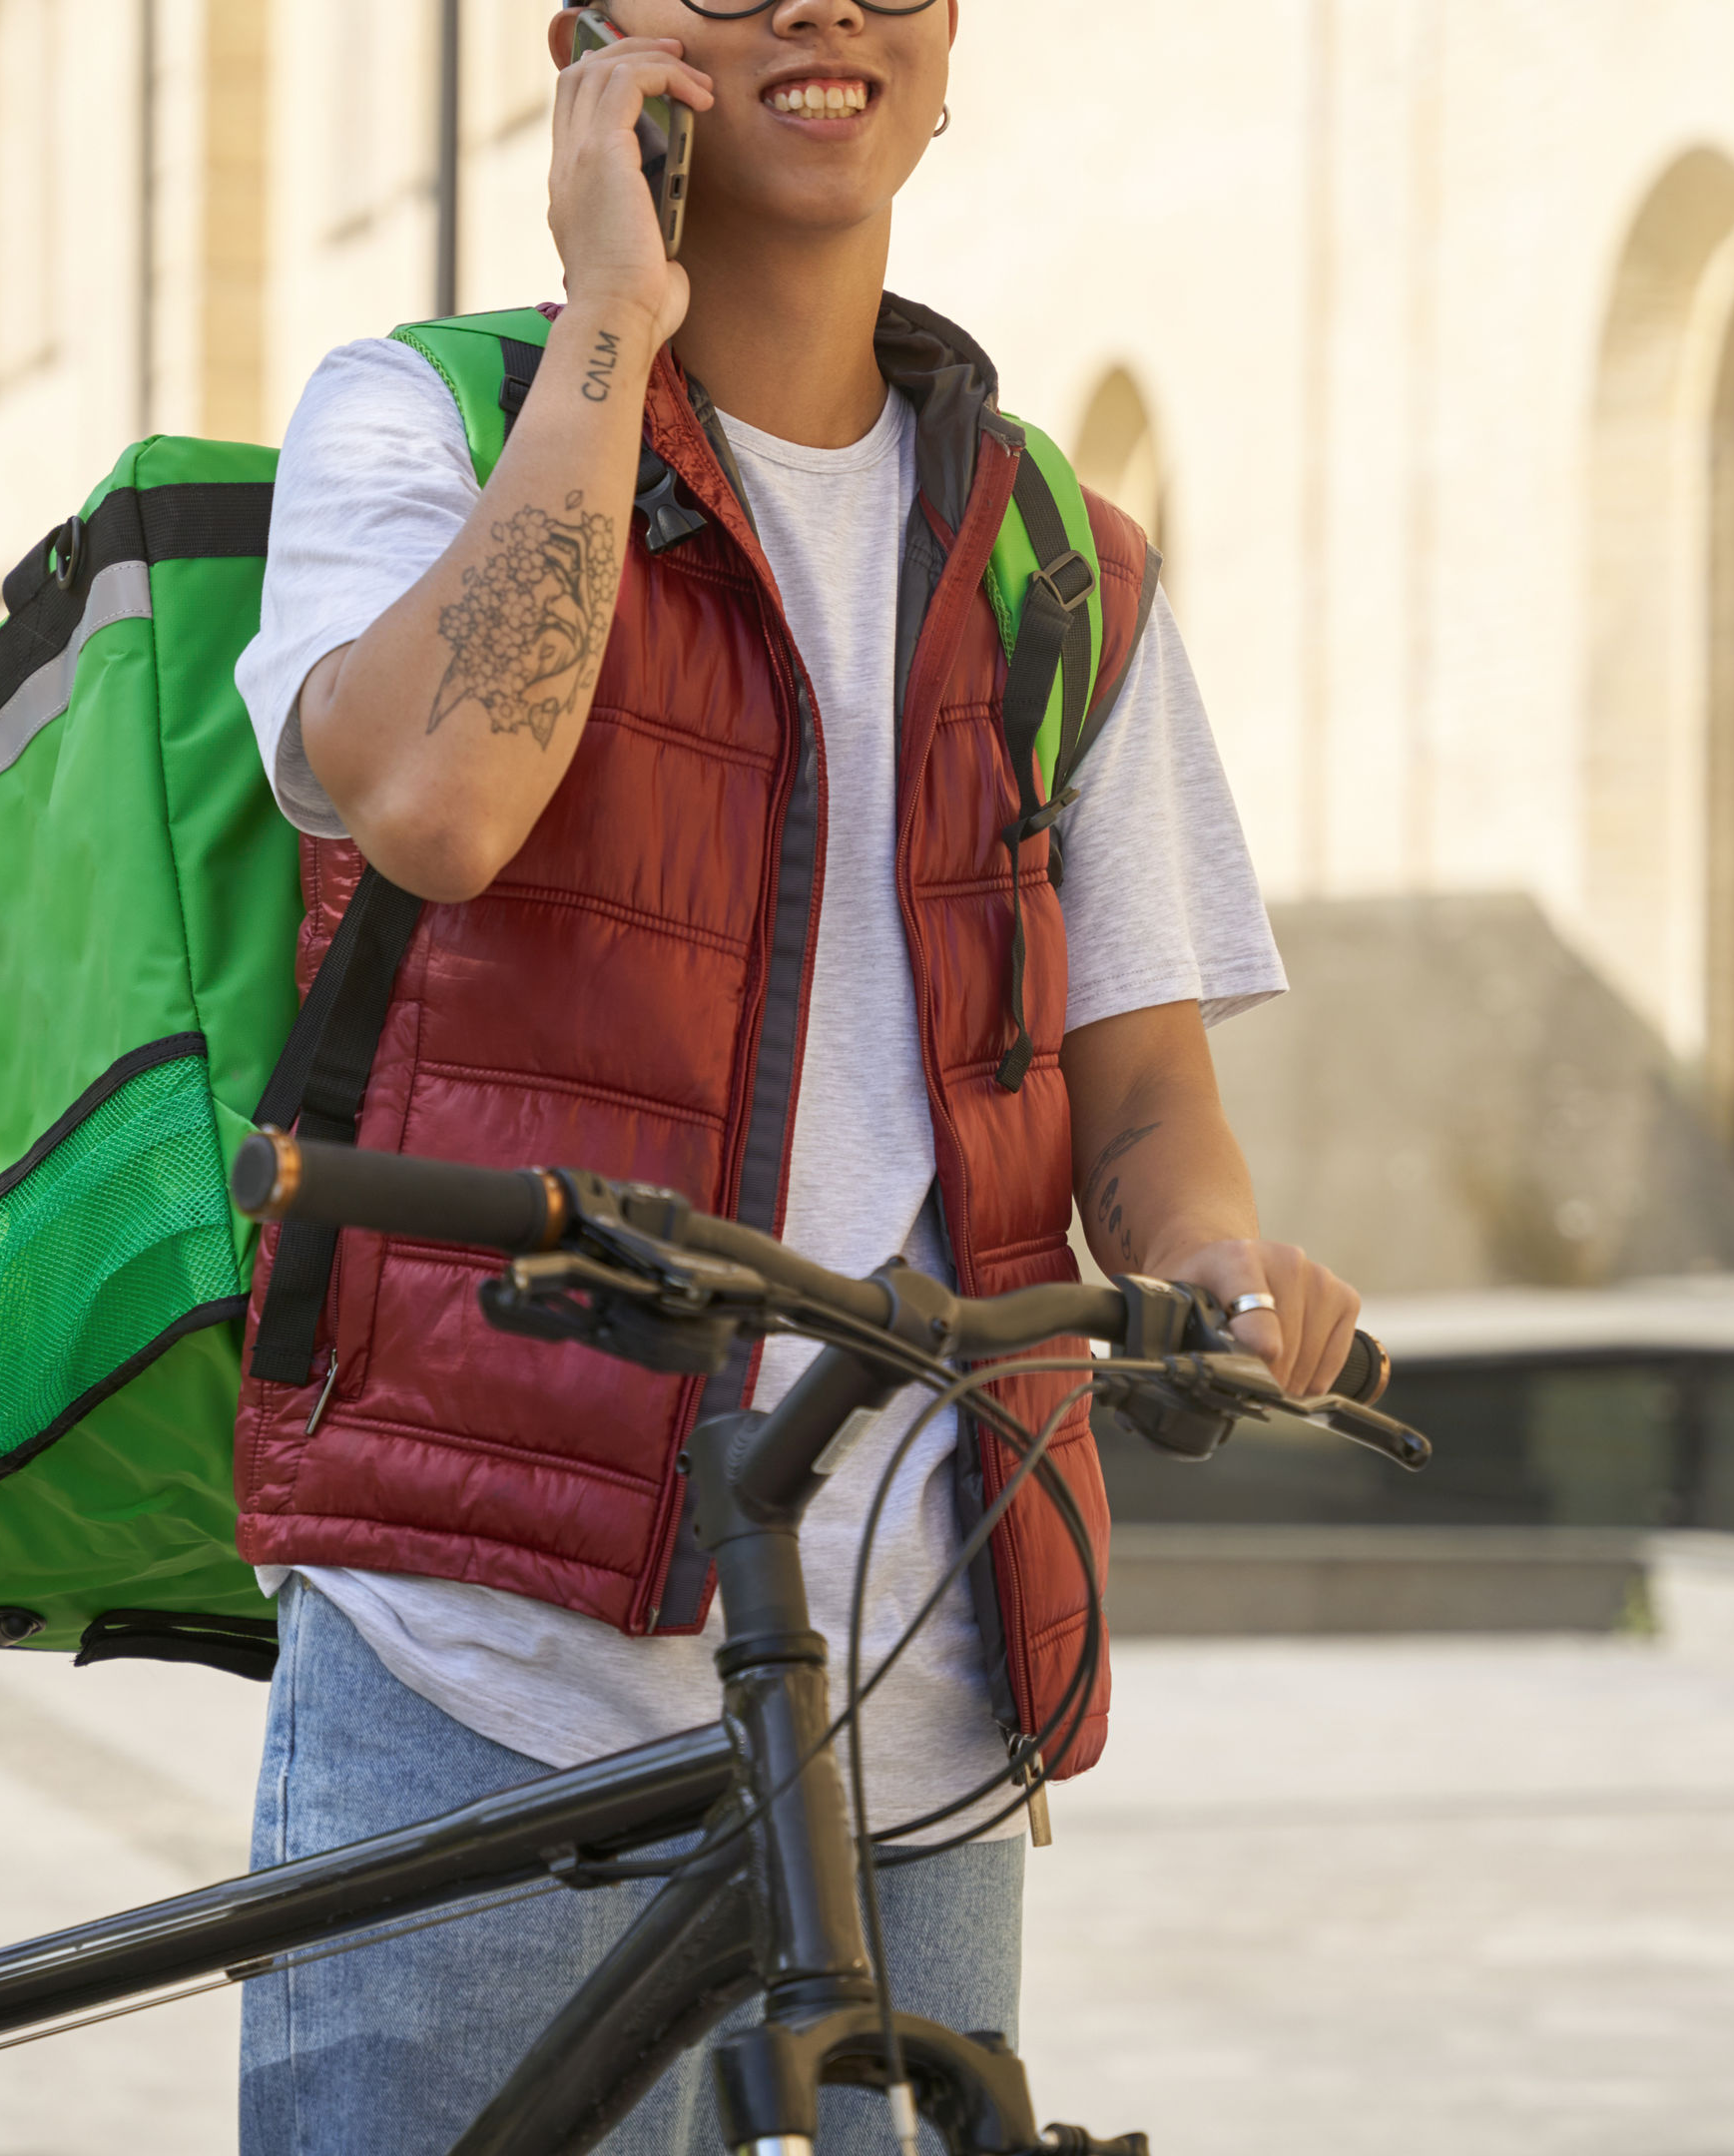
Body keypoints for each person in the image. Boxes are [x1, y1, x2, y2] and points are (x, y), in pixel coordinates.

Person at [227, 3, 1362, 2146]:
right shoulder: (427, 422)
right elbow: (442, 806)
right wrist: (608, 327)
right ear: (591, 51)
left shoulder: (1059, 560)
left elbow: (1139, 1107)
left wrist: (1219, 1265)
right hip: (493, 1663)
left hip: (919, 1694)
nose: (822, 12)